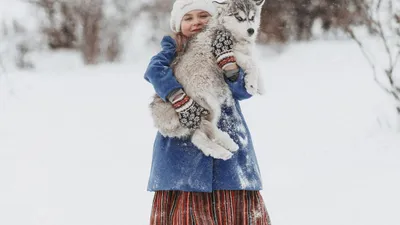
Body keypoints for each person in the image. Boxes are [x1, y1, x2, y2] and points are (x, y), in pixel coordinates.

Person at [144, 0, 271, 224]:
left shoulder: (228, 42)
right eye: (188, 18)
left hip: (226, 132)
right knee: (187, 206)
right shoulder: (174, 46)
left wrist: (230, 67)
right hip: (183, 144)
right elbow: (154, 71)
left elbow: (243, 92)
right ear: (178, 23)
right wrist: (178, 98)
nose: (196, 23)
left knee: (230, 199)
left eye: (203, 15)